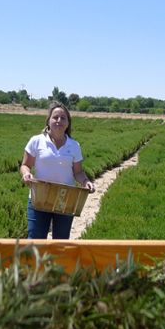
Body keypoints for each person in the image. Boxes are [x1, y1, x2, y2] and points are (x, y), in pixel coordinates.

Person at [20, 102, 95, 239]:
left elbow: (78, 172)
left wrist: (85, 182)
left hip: (65, 199)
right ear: (48, 120)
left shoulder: (74, 145)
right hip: (39, 198)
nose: (59, 121)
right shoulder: (36, 141)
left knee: (60, 243)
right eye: (55, 117)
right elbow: (25, 165)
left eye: (63, 118)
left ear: (68, 123)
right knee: (35, 241)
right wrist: (26, 174)